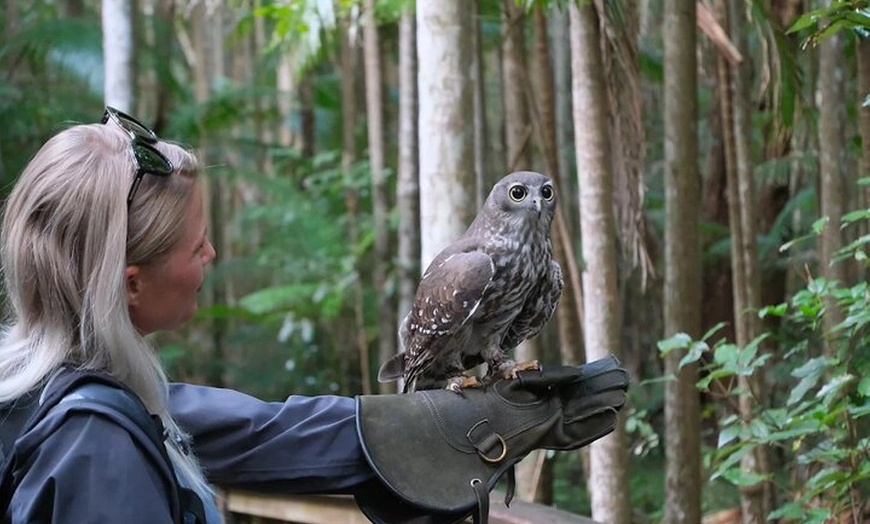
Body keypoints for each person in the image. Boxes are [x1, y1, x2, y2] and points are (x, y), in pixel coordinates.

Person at [0, 107, 629, 524]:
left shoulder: (78, 389)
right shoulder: (95, 449)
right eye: (198, 246)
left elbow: (259, 432)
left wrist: (435, 420)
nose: (214, 255)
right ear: (131, 285)